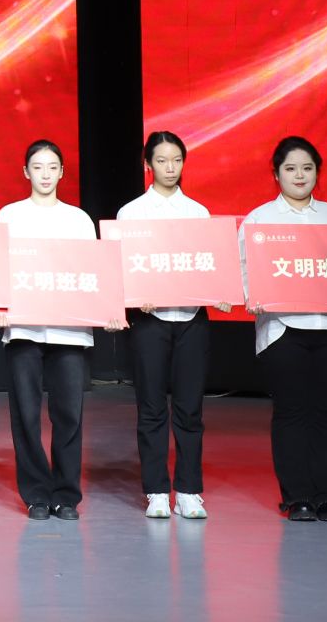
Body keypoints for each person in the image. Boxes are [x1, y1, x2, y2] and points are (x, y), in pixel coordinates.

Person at [243, 135, 327, 523]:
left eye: (307, 168)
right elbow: (244, 269)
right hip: (283, 329)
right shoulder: (260, 220)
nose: (299, 175)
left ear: (317, 173)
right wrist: (253, 295)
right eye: (290, 168)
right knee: (290, 412)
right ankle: (297, 497)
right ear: (276, 174)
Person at [0, 139, 107, 521]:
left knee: (69, 414)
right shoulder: (9, 215)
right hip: (23, 328)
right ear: (26, 172)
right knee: (25, 414)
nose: (45, 174)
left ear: (62, 172)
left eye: (52, 167)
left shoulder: (78, 220)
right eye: (37, 167)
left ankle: (66, 495)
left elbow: (93, 272)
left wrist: (106, 309)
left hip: (69, 330)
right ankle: (36, 494)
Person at [117, 131, 221, 520]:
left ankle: (190, 490)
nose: (170, 167)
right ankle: (157, 490)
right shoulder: (131, 214)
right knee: (151, 408)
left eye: (176, 160)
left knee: (190, 408)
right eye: (161, 160)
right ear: (148, 165)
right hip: (150, 320)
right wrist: (134, 295)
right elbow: (123, 267)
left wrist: (219, 290)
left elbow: (208, 264)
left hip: (191, 318)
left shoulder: (198, 212)